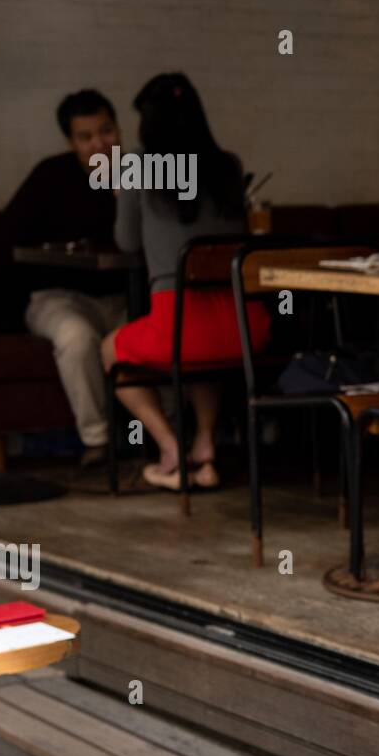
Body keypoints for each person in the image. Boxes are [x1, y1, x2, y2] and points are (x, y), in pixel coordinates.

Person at [100, 73, 270, 491]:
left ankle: (170, 447)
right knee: (203, 354)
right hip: (246, 325)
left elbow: (125, 242)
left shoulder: (137, 165)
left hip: (179, 326)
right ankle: (206, 448)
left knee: (109, 349)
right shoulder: (227, 165)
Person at [0, 90, 128, 465]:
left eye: (106, 131)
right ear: (71, 142)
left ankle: (163, 435)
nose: (100, 144)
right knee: (77, 338)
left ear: (119, 129)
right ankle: (98, 441)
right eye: (86, 137)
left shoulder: (141, 173)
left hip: (123, 294)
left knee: (151, 332)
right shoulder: (50, 175)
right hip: (57, 295)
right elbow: (4, 241)